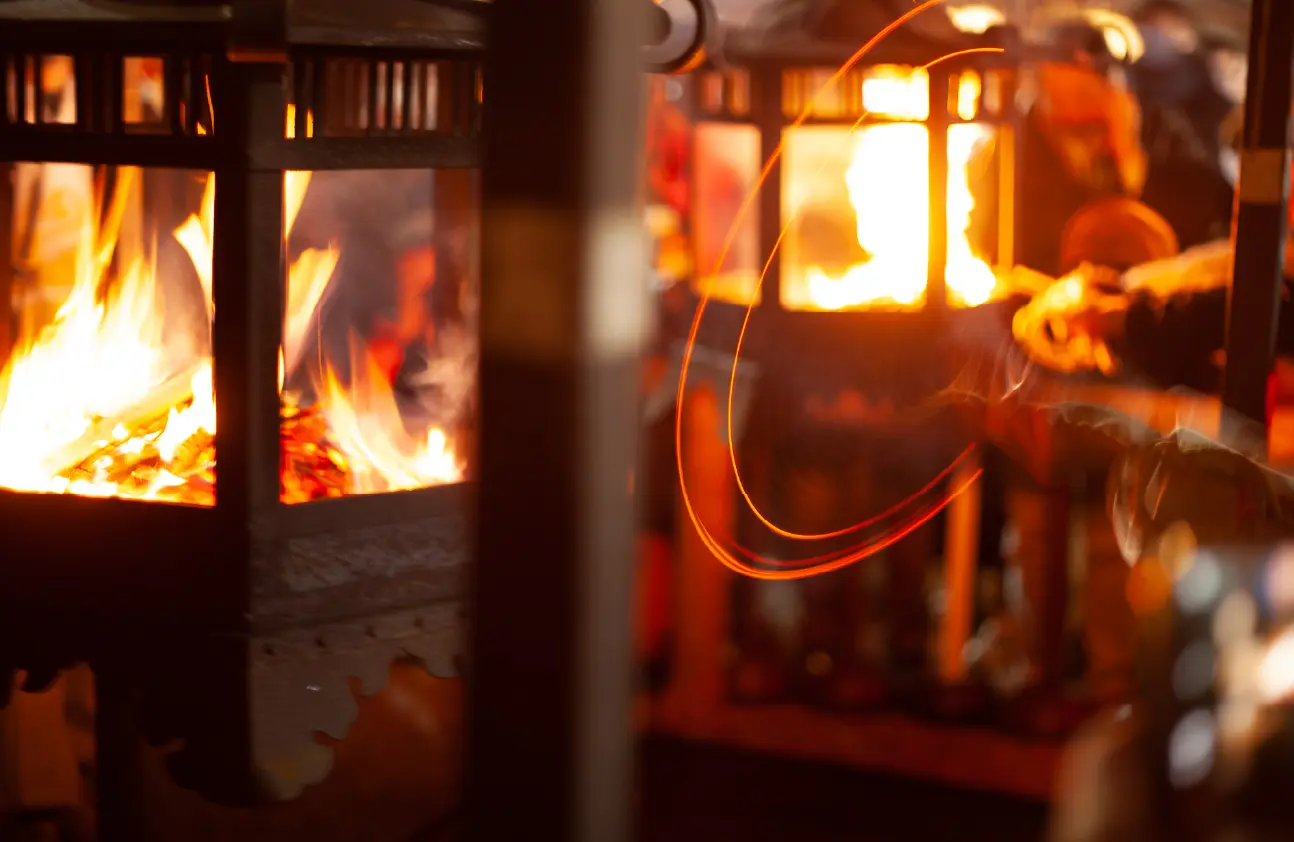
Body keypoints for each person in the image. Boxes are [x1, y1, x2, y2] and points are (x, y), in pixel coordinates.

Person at [968, 20, 1147, 278]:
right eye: (1075, 69)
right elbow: (989, 244)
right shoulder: (1011, 148)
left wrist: (1124, 144)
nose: (1091, 85)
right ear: (1046, 73)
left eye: (1097, 74)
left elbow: (1144, 225)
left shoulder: (1116, 133)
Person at [1129, 0, 1236, 249]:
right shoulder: (1127, 93)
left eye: (1170, 33)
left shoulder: (1212, 99)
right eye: (1151, 32)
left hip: (1197, 220)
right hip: (1150, 219)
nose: (1159, 43)